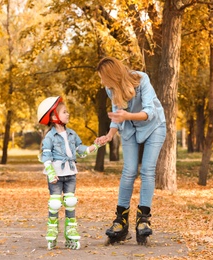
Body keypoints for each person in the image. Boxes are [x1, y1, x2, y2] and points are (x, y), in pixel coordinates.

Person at [95, 57, 166, 245]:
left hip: (153, 126)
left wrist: (127, 115)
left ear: (112, 75)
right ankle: (121, 221)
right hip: (129, 128)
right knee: (128, 172)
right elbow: (117, 115)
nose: (102, 82)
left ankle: (143, 220)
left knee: (147, 170)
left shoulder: (142, 79)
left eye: (103, 77)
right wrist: (109, 135)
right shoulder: (110, 89)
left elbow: (149, 112)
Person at [37, 96, 100, 250]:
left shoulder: (71, 133)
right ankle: (52, 228)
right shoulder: (50, 137)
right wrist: (51, 173)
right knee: (55, 203)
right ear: (54, 116)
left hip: (70, 172)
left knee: (71, 202)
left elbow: (80, 149)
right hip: (56, 175)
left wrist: (95, 145)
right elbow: (46, 156)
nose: (68, 114)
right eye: (65, 112)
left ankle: (70, 230)